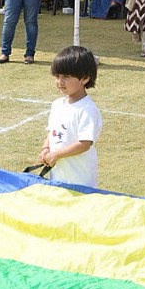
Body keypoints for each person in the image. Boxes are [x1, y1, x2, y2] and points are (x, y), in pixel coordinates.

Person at [39, 45, 102, 188]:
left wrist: (57, 155)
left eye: (66, 77)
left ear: (85, 78)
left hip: (80, 177)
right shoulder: (57, 104)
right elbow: (52, 132)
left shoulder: (87, 110)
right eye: (57, 76)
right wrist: (45, 149)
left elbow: (84, 144)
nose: (60, 81)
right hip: (58, 174)